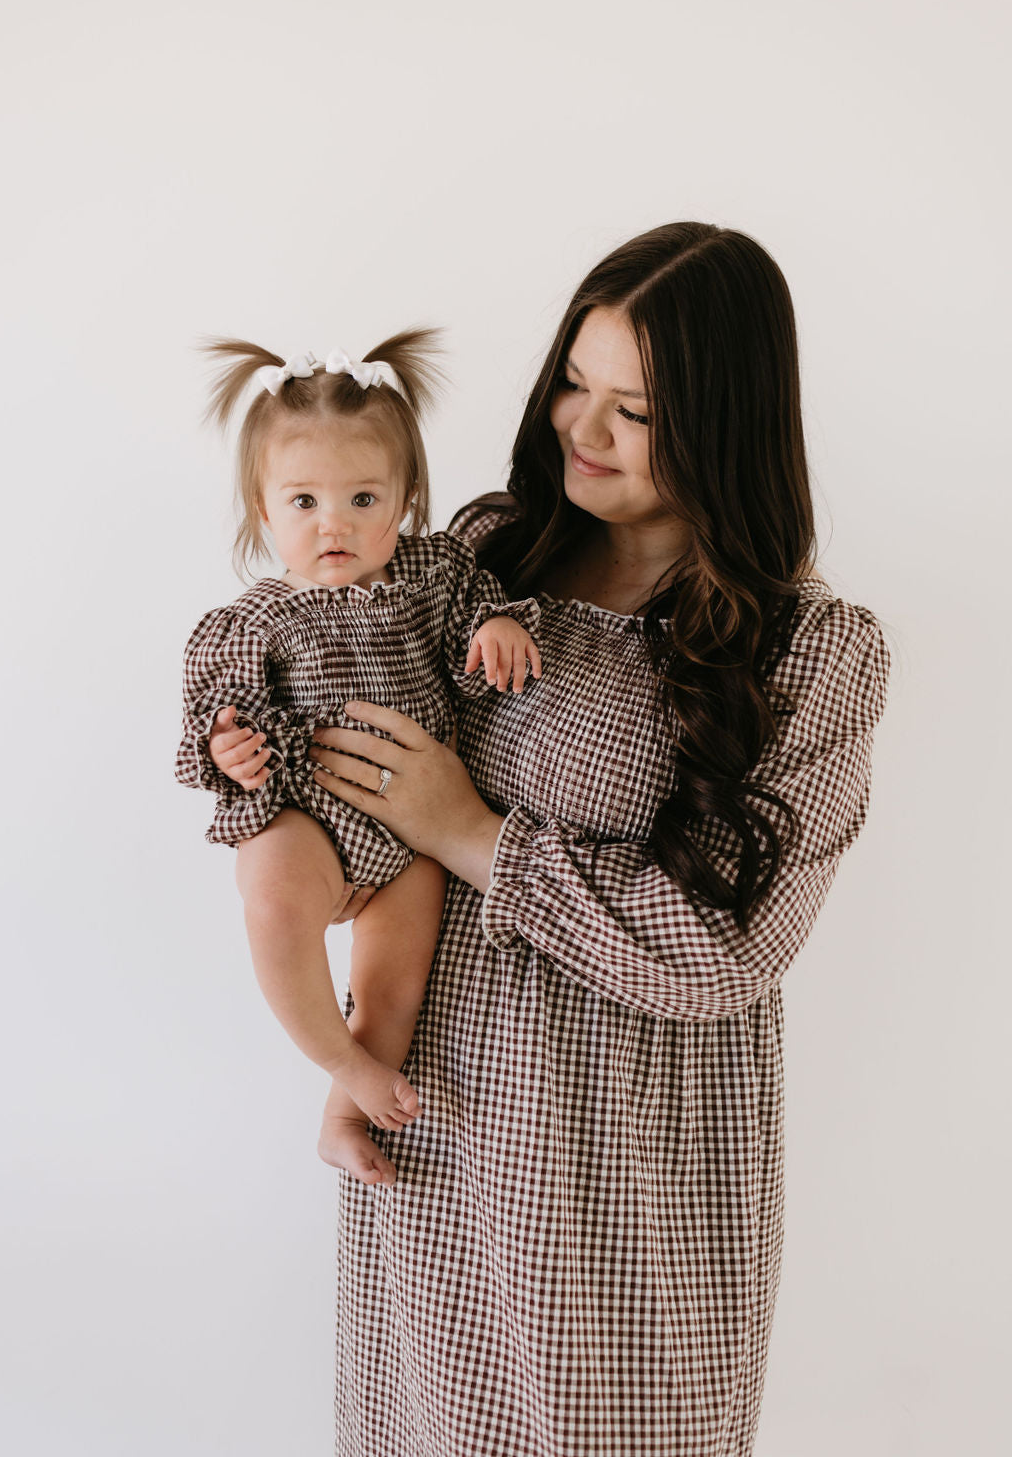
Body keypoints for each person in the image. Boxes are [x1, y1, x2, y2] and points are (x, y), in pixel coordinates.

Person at [212, 224, 891, 1455]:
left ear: (726, 423)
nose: (581, 425)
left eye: (633, 407)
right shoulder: (476, 555)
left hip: (622, 1165)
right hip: (439, 1116)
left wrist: (472, 831)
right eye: (573, 379)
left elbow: (722, 951)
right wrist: (350, 1051)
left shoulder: (812, 651)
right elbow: (349, 801)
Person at [175, 331, 541, 1187]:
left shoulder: (436, 574)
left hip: (411, 837)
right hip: (307, 817)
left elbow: (478, 616)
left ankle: (347, 1109)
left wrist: (495, 627)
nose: (332, 523)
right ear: (264, 511)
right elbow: (208, 724)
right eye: (302, 501)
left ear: (406, 500)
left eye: (362, 497)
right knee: (270, 898)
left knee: (396, 977)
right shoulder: (251, 622)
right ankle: (339, 1061)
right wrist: (227, 750)